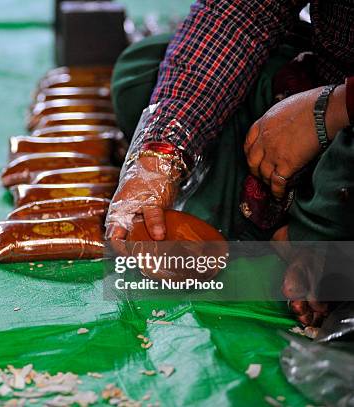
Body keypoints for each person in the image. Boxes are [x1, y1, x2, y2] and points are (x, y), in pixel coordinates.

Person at [105, 0, 353, 326]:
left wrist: (333, 111)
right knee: (143, 71)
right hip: (329, 86)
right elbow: (241, 14)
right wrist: (158, 156)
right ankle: (301, 217)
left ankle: (312, 234)